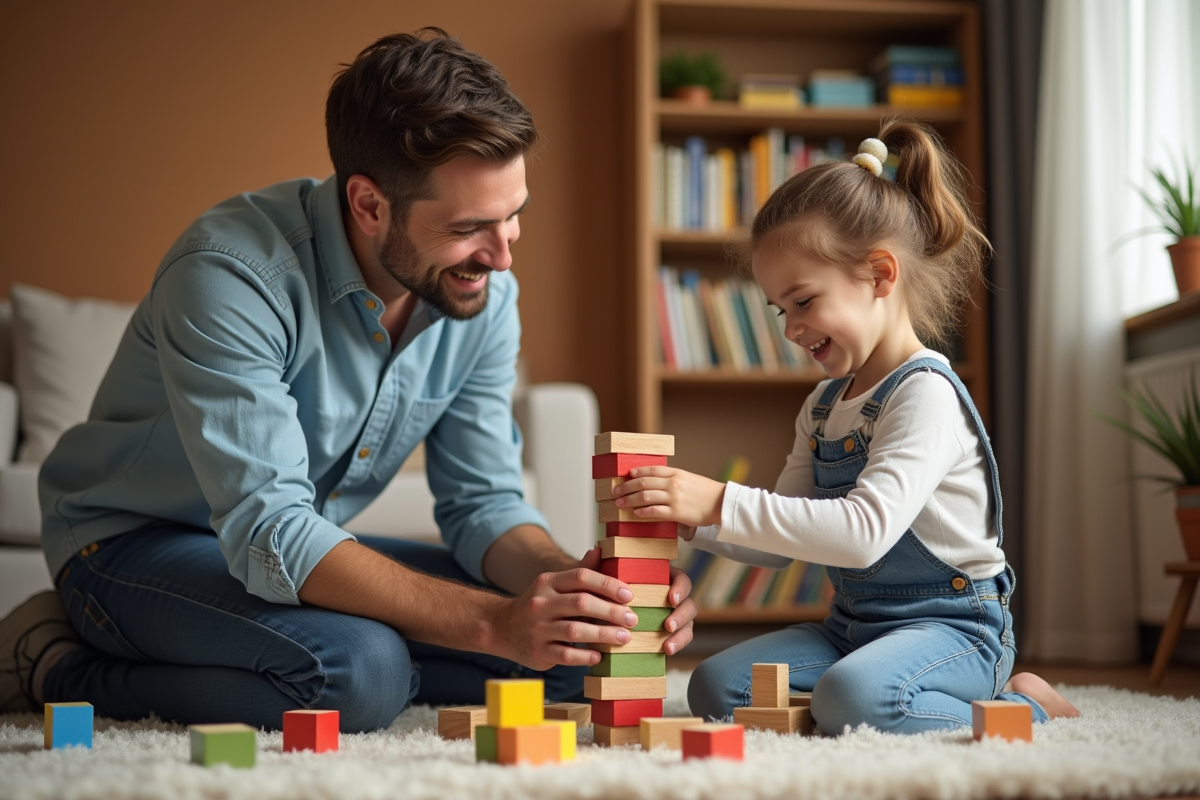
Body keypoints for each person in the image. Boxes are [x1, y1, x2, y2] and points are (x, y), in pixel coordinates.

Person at [0, 29, 697, 730]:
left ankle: (318, 662)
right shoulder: (230, 274)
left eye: (514, 217)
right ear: (369, 205)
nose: (502, 257)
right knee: (360, 672)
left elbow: (483, 501)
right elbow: (272, 528)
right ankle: (57, 660)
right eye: (469, 228)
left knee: (576, 656)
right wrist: (494, 625)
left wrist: (580, 593)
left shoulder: (481, 294)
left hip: (282, 549)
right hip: (129, 546)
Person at [610, 120, 1079, 735]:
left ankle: (1030, 705)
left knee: (853, 699)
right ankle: (851, 702)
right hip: (854, 627)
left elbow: (862, 535)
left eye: (803, 301)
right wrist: (685, 516)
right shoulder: (823, 406)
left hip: (954, 629)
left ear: (880, 275)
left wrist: (719, 499)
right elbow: (778, 540)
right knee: (716, 685)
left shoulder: (925, 394)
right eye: (780, 310)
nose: (790, 329)